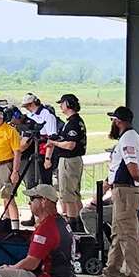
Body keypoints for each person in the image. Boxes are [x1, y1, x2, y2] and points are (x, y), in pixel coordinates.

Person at [91, 105, 139, 277]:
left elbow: (133, 168)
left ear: (119, 121)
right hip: (124, 190)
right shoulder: (131, 137)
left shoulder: (127, 139)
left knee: (128, 235)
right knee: (118, 233)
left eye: (113, 120)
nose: (112, 124)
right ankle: (111, 272)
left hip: (126, 191)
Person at [46, 94, 87, 224]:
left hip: (69, 160)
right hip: (73, 160)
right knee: (74, 193)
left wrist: (55, 143)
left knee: (68, 195)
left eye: (62, 103)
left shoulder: (73, 123)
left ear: (68, 104)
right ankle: (82, 221)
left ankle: (73, 223)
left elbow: (70, 145)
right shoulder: (74, 121)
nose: (60, 106)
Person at [16, 92, 60, 191]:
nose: (27, 108)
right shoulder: (29, 115)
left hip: (44, 153)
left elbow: (52, 138)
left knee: (45, 184)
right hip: (32, 153)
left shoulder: (47, 115)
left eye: (27, 106)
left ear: (32, 104)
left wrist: (47, 159)